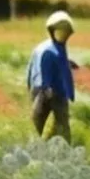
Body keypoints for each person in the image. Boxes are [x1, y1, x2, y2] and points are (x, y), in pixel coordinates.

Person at [27, 10, 76, 142]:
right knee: (44, 123)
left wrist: (68, 64)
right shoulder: (47, 50)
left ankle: (50, 143)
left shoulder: (54, 47)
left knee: (44, 124)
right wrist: (46, 88)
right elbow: (43, 70)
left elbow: (31, 69)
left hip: (51, 90)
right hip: (48, 91)